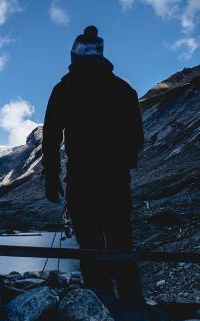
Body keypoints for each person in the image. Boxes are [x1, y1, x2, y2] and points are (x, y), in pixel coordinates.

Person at [41, 25, 144, 300]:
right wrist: (123, 164)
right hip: (115, 181)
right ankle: (133, 306)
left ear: (75, 55)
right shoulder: (123, 90)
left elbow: (50, 136)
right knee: (121, 241)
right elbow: (136, 136)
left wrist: (51, 176)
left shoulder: (65, 89)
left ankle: (101, 306)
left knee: (90, 245)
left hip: (81, 181)